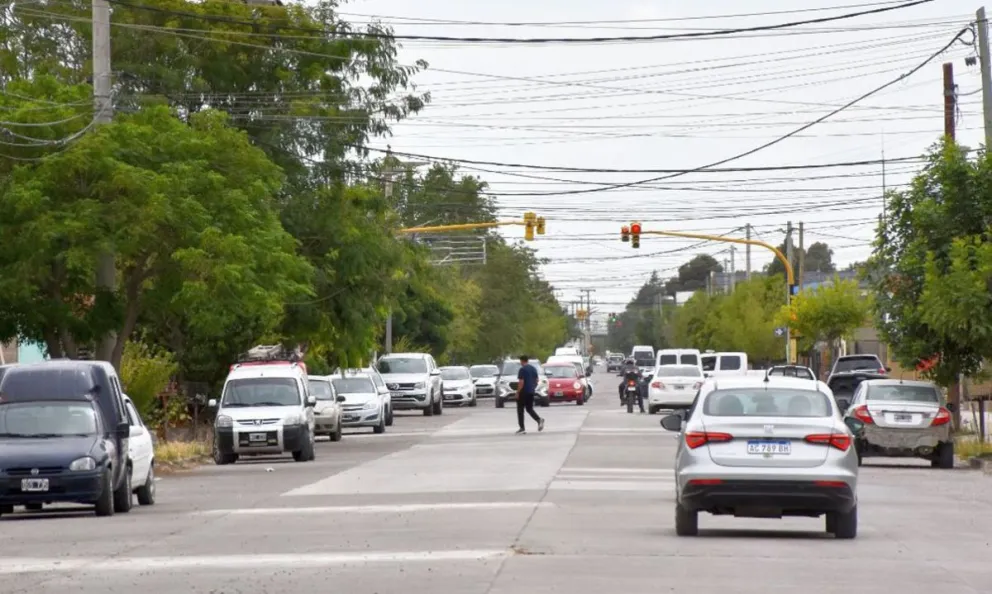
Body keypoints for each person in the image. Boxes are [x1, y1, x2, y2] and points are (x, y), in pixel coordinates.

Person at [515, 355, 545, 435]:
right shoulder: (533, 369)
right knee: (529, 408)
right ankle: (539, 419)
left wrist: (517, 392)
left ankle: (522, 428)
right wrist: (533, 387)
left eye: (520, 361)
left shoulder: (522, 369)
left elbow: (521, 382)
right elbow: (537, 380)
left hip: (523, 392)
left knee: (520, 410)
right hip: (531, 391)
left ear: (522, 361)